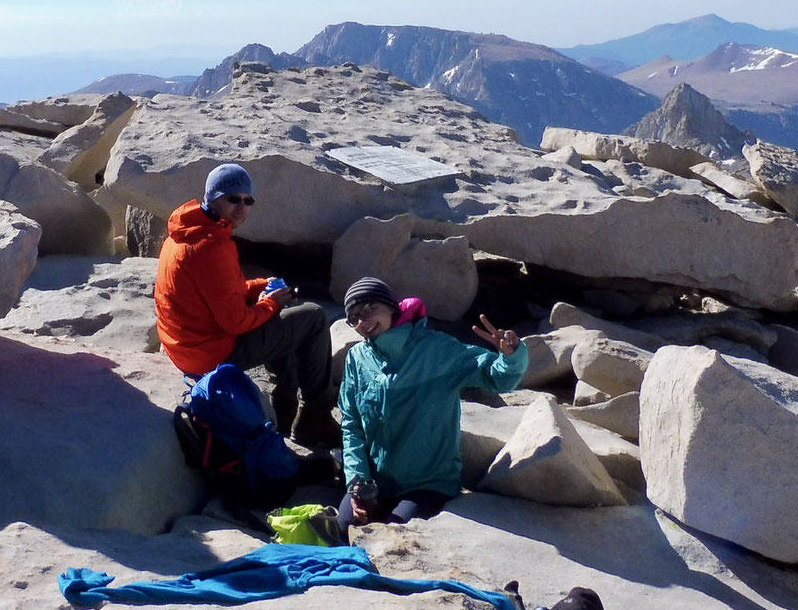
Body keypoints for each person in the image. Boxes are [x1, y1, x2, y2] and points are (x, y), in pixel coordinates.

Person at [154, 163, 338, 448]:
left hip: (185, 344)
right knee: (312, 317)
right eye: (232, 199)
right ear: (212, 197)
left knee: (282, 316)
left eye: (247, 200)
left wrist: (260, 287)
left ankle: (284, 408)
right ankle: (315, 418)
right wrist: (270, 304)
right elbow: (235, 323)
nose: (241, 207)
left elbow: (221, 290)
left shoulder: (186, 232)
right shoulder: (211, 246)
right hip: (207, 354)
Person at [337, 276, 527, 529]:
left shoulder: (437, 349)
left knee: (398, 529)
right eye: (354, 319)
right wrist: (358, 481)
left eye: (368, 310)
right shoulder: (357, 358)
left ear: (390, 305)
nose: (362, 322)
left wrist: (511, 356)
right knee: (344, 526)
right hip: (375, 483)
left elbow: (496, 378)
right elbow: (351, 424)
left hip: (428, 484)